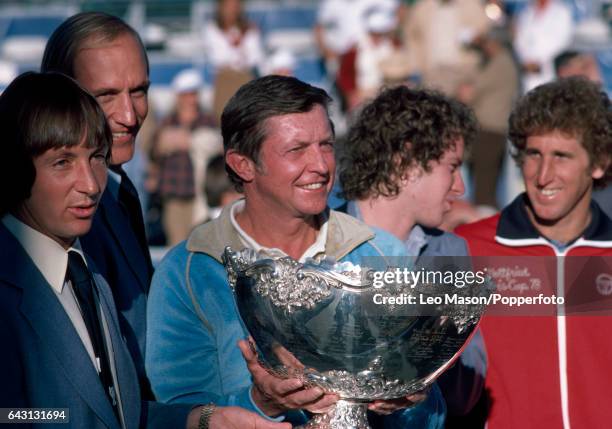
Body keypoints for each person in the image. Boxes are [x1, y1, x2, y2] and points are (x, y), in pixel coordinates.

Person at [146, 75, 446, 427]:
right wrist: (261, 403)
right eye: (297, 149)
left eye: (326, 145)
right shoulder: (190, 271)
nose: (320, 165)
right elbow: (181, 414)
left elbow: (433, 414)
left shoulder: (380, 253)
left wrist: (411, 401)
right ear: (242, 164)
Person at [0, 72, 288, 429]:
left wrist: (204, 420)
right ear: (12, 167)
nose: (90, 184)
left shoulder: (87, 274)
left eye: (98, 158)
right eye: (62, 162)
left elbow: (119, 416)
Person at [455, 77, 612, 428]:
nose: (543, 175)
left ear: (598, 163)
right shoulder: (466, 248)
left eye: (561, 156)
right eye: (534, 155)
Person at [338, 85, 487, 426]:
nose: (460, 187)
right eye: (452, 167)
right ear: (406, 162)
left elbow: (468, 391)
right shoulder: (321, 239)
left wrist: (425, 371)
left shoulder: (449, 250)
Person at [41, 12, 154, 399]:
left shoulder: (121, 190)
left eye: (139, 91)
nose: (129, 115)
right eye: (106, 96)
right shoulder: (42, 216)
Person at [150, 68, 216, 245]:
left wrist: (185, 139)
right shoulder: (167, 121)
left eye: (193, 94)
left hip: (200, 196)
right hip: (174, 196)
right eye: (186, 94)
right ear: (178, 96)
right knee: (176, 245)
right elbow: (155, 151)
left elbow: (215, 145)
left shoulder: (208, 121)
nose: (190, 99)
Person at [456, 27, 519, 209]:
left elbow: (469, 92)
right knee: (484, 184)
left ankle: (484, 226)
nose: (484, 46)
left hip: (490, 130)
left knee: (484, 187)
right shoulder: (501, 62)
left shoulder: (500, 63)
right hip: (489, 130)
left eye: (486, 42)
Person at [514, 0, 574, 92]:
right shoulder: (527, 12)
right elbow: (520, 41)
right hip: (527, 68)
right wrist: (527, 59)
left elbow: (562, 41)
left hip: (549, 68)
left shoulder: (561, 11)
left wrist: (539, 60)